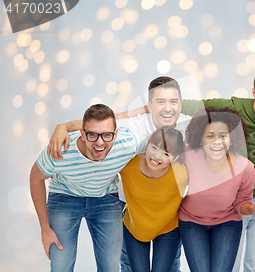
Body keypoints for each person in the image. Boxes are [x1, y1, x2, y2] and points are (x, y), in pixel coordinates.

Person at [46, 76, 190, 272]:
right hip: (132, 210)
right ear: (149, 105)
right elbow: (96, 125)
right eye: (160, 101)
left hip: (168, 213)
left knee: (169, 266)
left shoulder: (189, 127)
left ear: (181, 103)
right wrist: (62, 127)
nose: (168, 108)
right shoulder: (135, 126)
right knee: (130, 265)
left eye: (173, 101)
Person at [179, 66, 255, 272]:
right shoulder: (235, 107)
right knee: (229, 266)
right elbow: (195, 106)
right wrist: (156, 106)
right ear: (253, 93)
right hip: (234, 201)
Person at [29, 104, 148, 271]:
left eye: (107, 135)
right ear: (82, 134)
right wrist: (45, 228)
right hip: (65, 196)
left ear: (116, 135)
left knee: (111, 267)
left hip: (104, 197)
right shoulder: (61, 150)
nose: (100, 142)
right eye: (92, 134)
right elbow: (35, 178)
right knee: (61, 266)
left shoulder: (128, 142)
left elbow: (163, 144)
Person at [179, 106, 255, 272]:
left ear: (232, 138)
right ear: (200, 139)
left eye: (223, 136)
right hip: (191, 222)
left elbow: (241, 203)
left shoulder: (245, 167)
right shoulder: (188, 154)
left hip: (227, 223)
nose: (216, 141)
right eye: (210, 136)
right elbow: (162, 147)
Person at [120, 126, 188, 272]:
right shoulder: (129, 164)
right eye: (154, 147)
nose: (157, 156)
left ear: (175, 157)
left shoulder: (182, 172)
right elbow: (114, 138)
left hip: (168, 228)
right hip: (135, 226)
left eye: (166, 153)